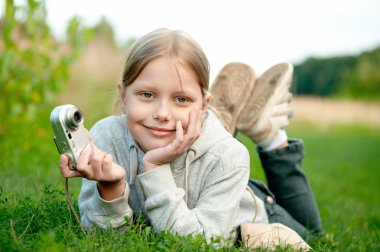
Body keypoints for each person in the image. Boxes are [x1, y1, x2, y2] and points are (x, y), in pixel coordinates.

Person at [58, 28, 322, 249]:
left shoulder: (229, 157)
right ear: (124, 97)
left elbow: (199, 244)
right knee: (203, 147)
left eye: (181, 99)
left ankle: (270, 136)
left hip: (246, 209)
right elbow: (106, 242)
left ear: (203, 105)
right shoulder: (106, 138)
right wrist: (111, 188)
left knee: (314, 236)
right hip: (206, 175)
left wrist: (156, 167)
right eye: (147, 95)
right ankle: (220, 123)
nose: (162, 114)